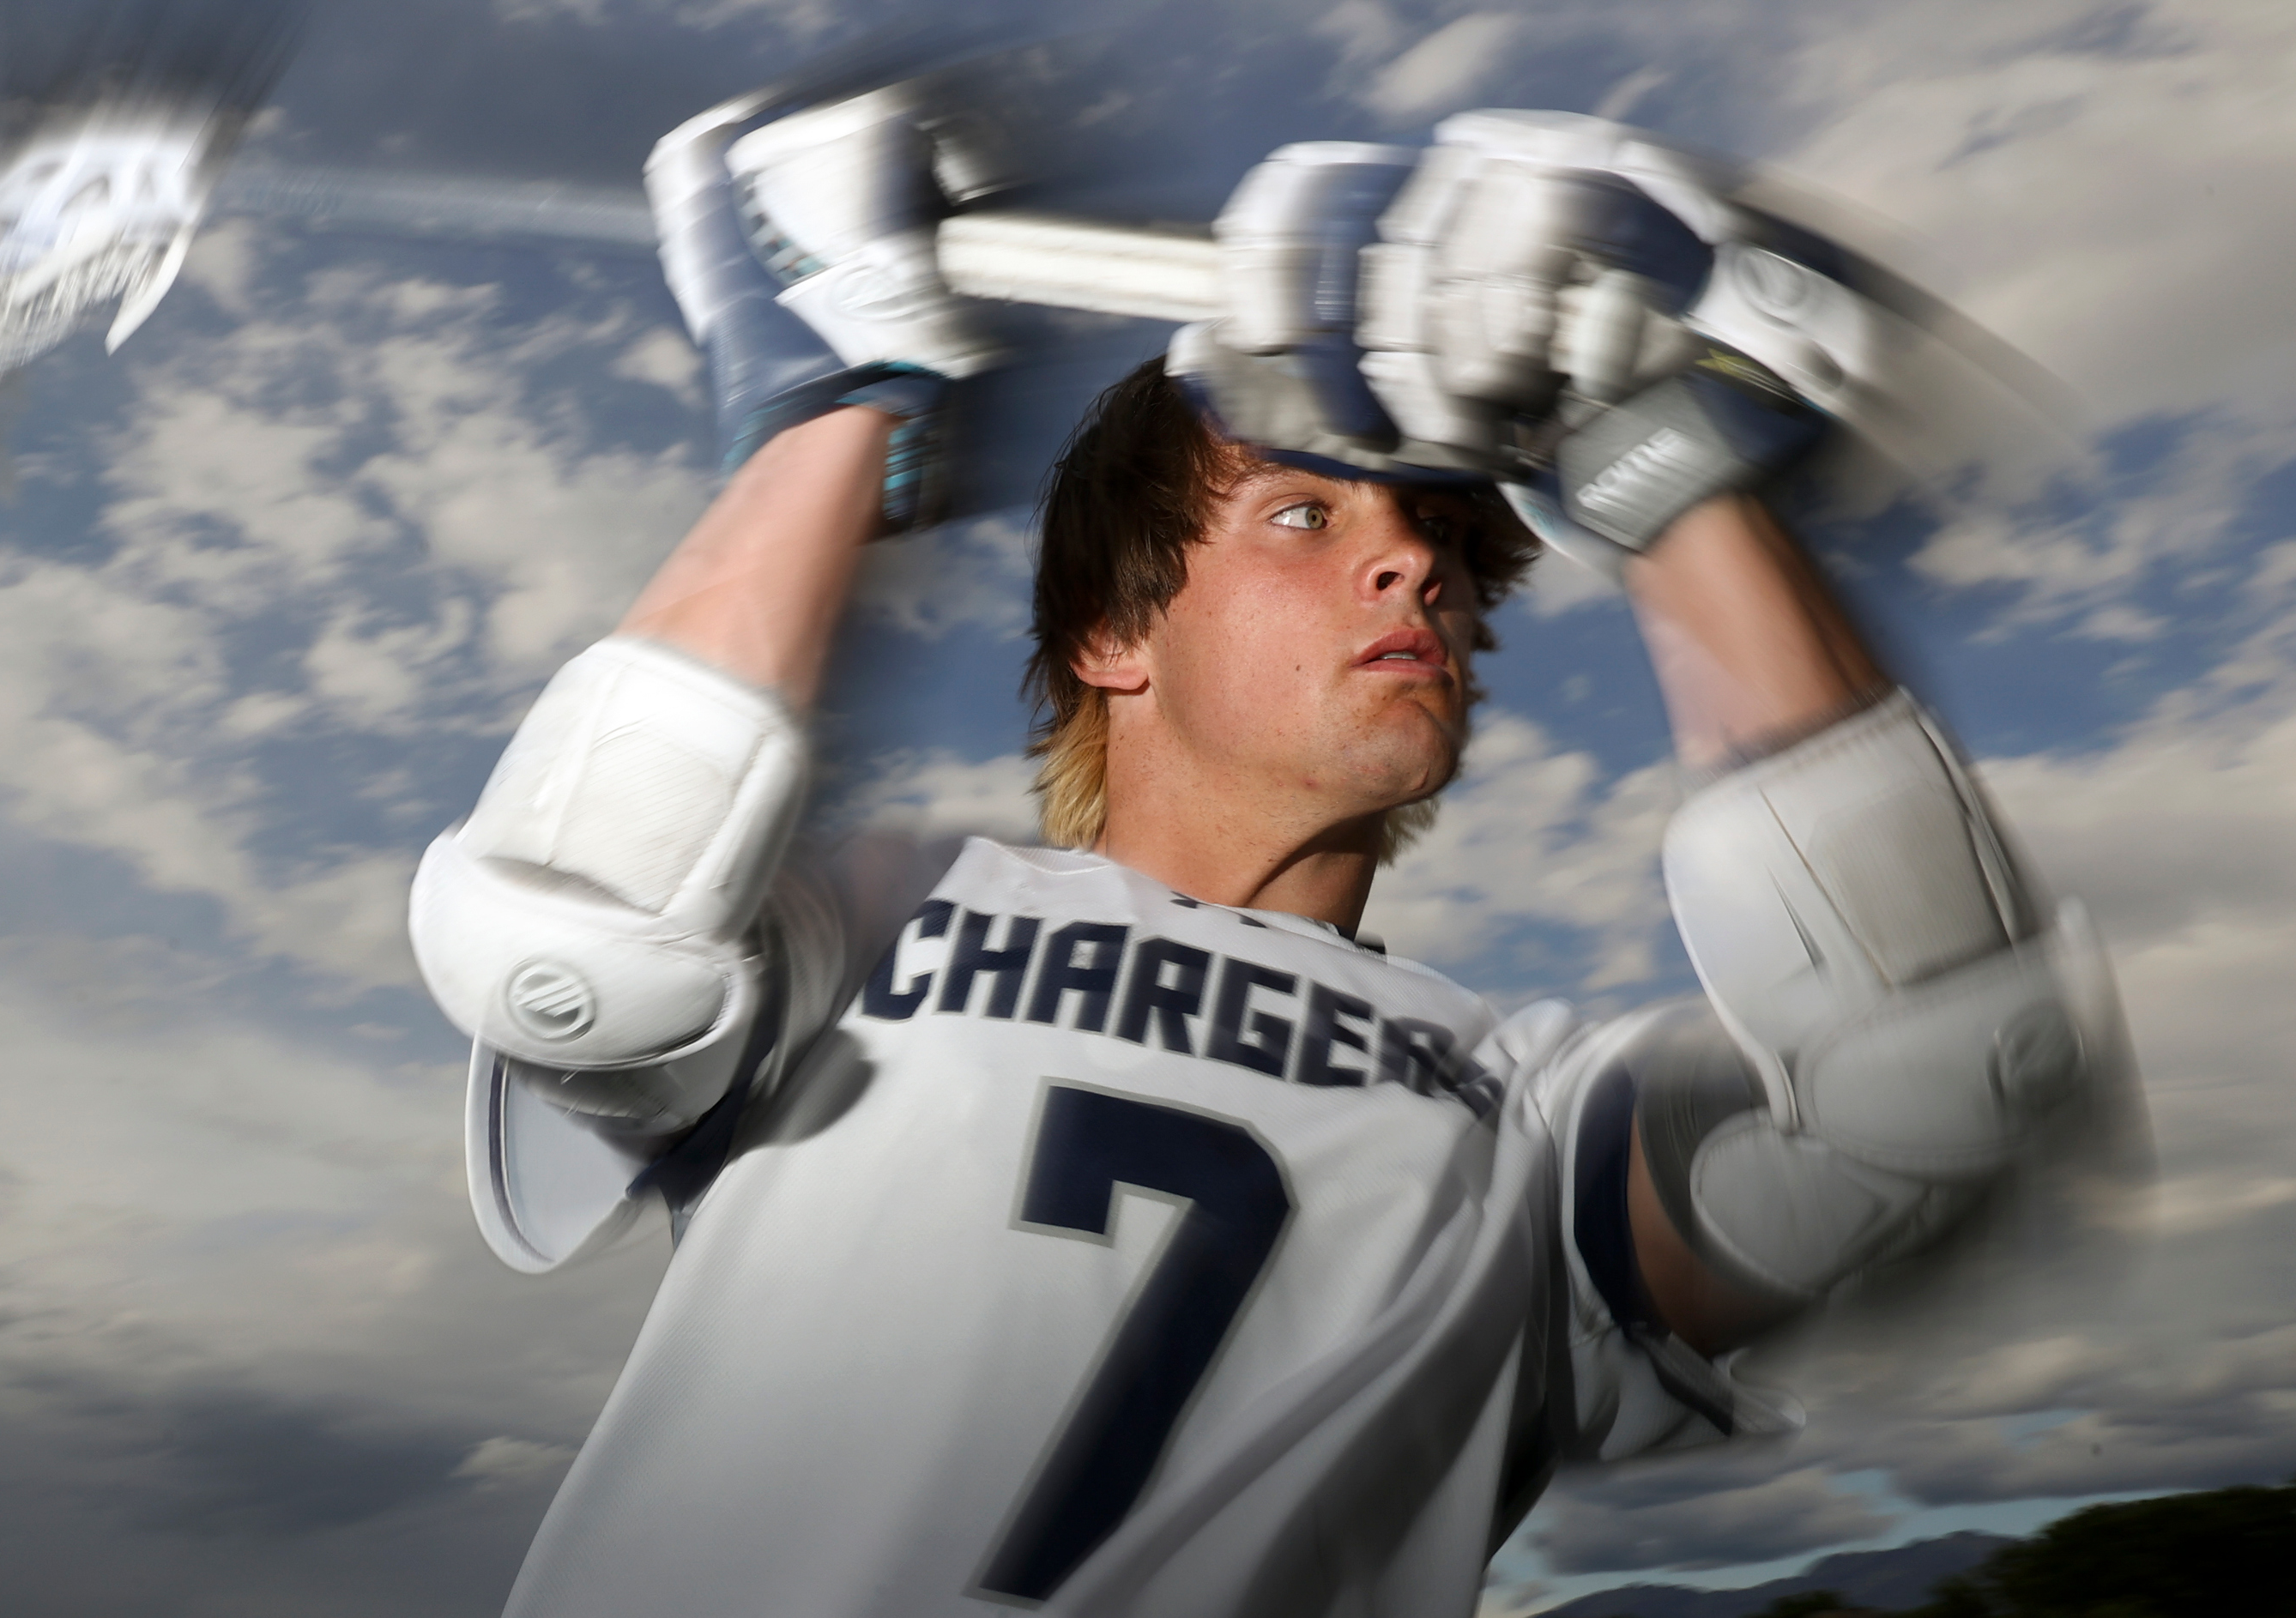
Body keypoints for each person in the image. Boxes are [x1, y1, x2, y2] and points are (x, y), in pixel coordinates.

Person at [406, 88, 2122, 1618]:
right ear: (1112, 637)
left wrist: (1652, 464)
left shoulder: (1518, 1114)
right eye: (1305, 518)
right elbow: (578, 951)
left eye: (1439, 540)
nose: (1416, 574)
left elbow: (1942, 1082)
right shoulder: (886, 918)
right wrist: (836, 398)